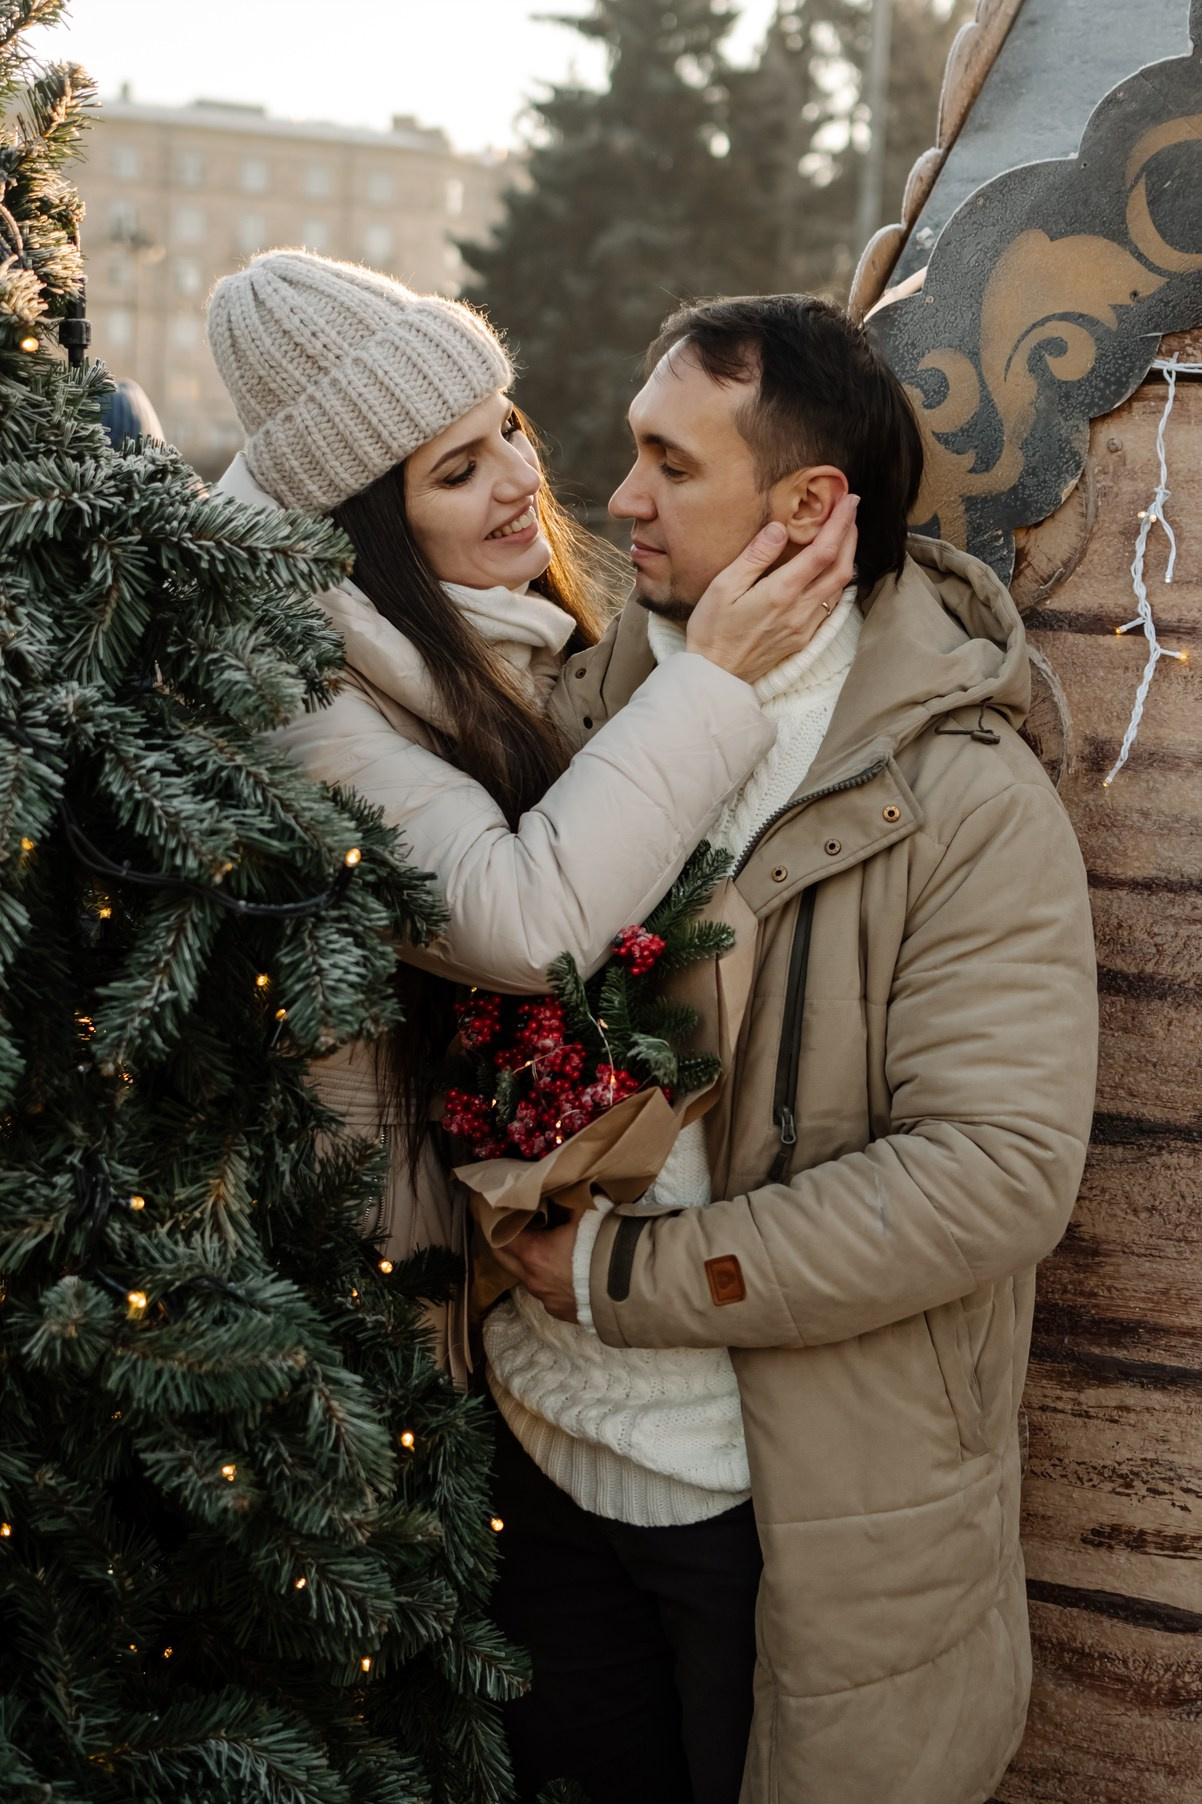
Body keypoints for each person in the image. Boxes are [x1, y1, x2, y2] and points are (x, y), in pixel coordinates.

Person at [494, 294, 1099, 1804]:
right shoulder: (581, 709)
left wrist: (615, 1279)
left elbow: (993, 1173)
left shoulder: (960, 798)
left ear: (807, 507)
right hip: (530, 1458)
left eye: (666, 462)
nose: (617, 495)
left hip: (778, 1516)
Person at [204, 251, 856, 1377]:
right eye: (456, 470)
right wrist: (716, 678)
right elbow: (521, 920)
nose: (519, 479)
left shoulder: (490, 628)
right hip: (358, 1296)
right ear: (364, 530)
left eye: (506, 426)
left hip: (489, 1257)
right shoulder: (293, 694)